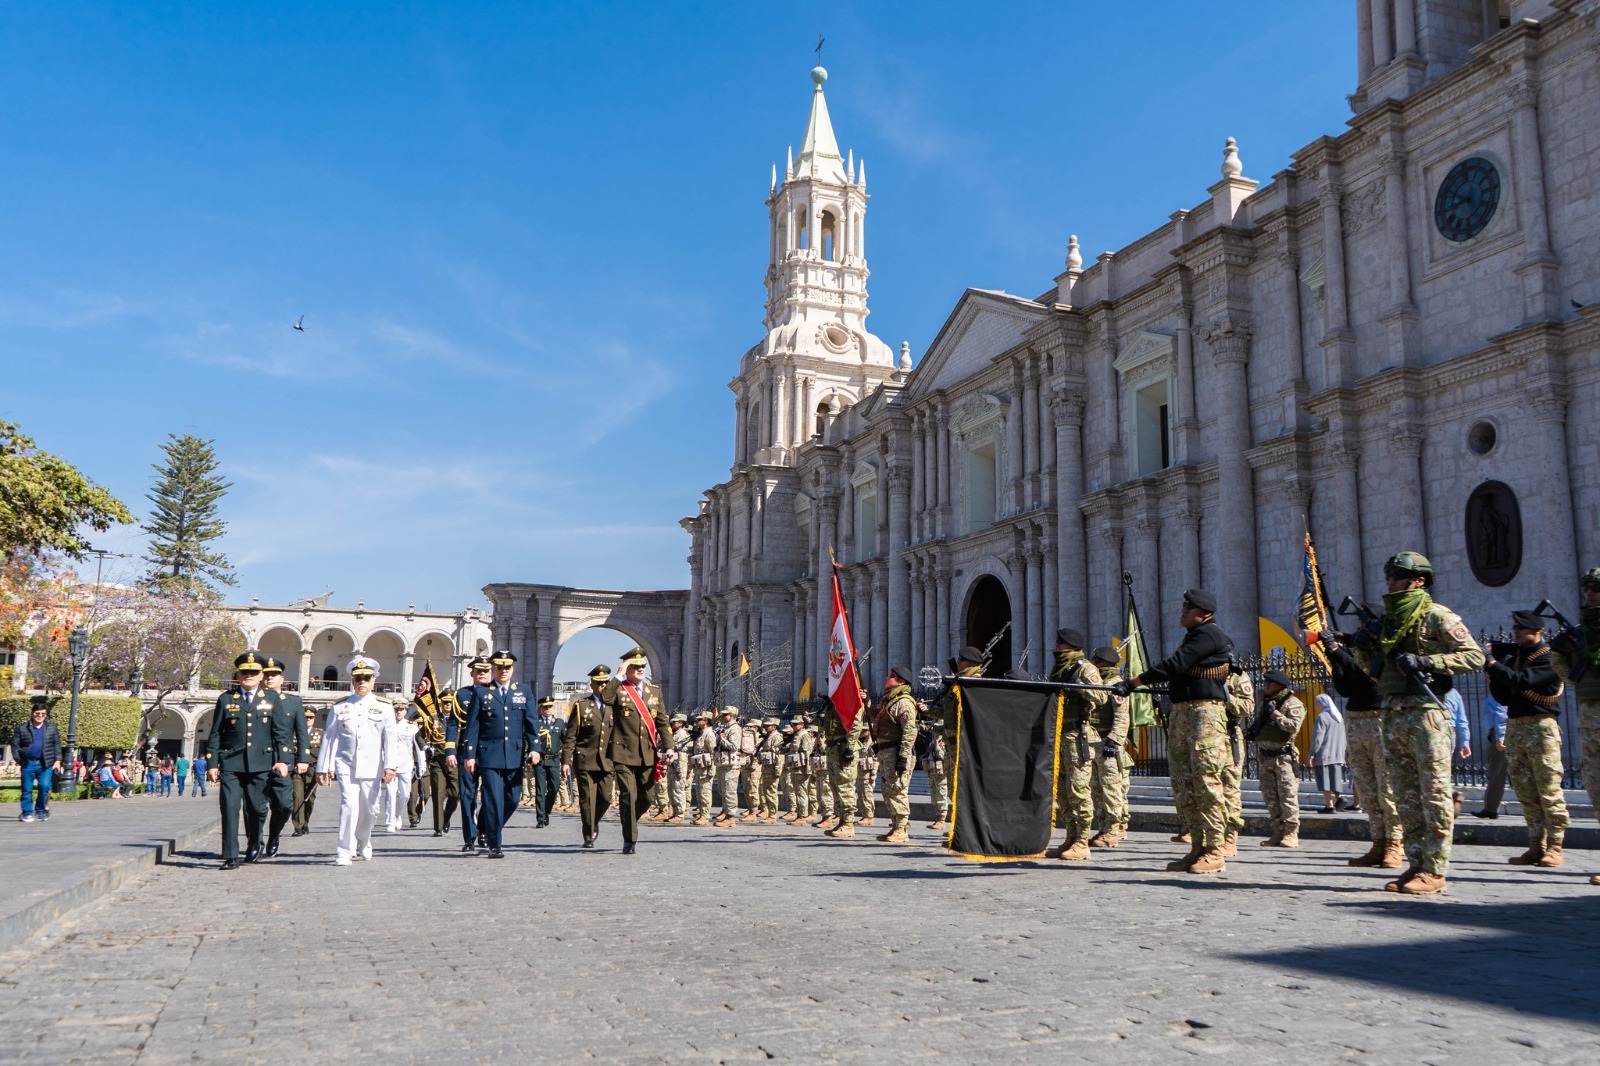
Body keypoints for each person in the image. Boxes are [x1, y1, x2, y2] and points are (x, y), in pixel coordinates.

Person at [1370, 551, 1485, 896]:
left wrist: (1427, 660)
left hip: (1426, 712)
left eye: (1399, 575)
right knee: (1405, 795)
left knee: (1433, 793)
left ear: (1419, 580)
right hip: (1394, 713)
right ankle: (1416, 863)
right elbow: (1375, 672)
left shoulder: (1435, 616)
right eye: (1389, 574)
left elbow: (1474, 656)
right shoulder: (1390, 623)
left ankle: (1435, 869)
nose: (1391, 581)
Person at [1114, 589, 1234, 875]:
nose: (1182, 612)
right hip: (1184, 714)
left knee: (1206, 784)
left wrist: (1134, 682)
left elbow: (1175, 665)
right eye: (1183, 607)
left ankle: (1215, 849)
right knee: (1184, 783)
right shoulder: (1194, 636)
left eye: (1188, 609)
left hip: (1204, 715)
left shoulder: (1209, 636)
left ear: (1204, 614)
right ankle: (1198, 846)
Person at [1307, 609, 1401, 869]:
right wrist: (1333, 657)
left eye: (1365, 625)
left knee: (1386, 788)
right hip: (1356, 719)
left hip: (1380, 719)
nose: (1360, 630)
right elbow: (1346, 688)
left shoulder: (1385, 651)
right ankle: (1378, 842)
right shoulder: (1354, 653)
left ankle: (1394, 843)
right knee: (1367, 787)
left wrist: (1338, 652)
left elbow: (1367, 678)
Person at [1486, 610, 1570, 868]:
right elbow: (1504, 696)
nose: (1517, 632)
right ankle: (1536, 846)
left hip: (1540, 728)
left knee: (1548, 789)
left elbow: (1524, 682)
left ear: (1539, 631)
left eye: (1522, 628)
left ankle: (1554, 847)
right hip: (1516, 727)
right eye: (1515, 628)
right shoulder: (1516, 659)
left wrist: (1493, 664)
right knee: (1525, 790)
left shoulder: (1548, 658)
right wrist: (1491, 674)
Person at [206, 651, 292, 870]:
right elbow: (216, 733)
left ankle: (254, 841)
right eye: (245, 672)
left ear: (261, 674)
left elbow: (281, 732)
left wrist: (282, 760)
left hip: (261, 764)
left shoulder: (272, 698)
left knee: (256, 809)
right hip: (231, 764)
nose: (249, 675)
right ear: (238, 674)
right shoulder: (226, 699)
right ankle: (231, 855)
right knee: (230, 807)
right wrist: (212, 763)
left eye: (253, 672)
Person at [315, 656, 398, 865]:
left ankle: (363, 839)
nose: (362, 681)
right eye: (358, 678)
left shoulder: (385, 707)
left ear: (373, 681)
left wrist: (390, 766)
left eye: (366, 678)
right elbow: (329, 737)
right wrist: (323, 767)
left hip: (373, 766)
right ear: (352, 681)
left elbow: (390, 740)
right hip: (347, 764)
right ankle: (344, 850)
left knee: (370, 810)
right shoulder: (340, 707)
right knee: (349, 805)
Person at [1550, 567, 1600, 886]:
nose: (1589, 593)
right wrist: (1561, 653)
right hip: (1590, 720)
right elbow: (1569, 677)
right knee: (1596, 789)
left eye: (1596, 588)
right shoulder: (1582, 631)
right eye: (1587, 588)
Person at [462, 649, 537, 859]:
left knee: (512, 800)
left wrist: (535, 748)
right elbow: (473, 726)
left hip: (513, 754)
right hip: (488, 756)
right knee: (493, 798)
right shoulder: (482, 693)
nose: (503, 671)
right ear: (493, 669)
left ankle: (485, 824)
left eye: (507, 667)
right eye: (499, 667)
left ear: (512, 669)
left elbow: (531, 722)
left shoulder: (523, 691)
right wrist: (470, 755)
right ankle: (495, 844)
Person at [599, 648, 669, 855]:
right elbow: (605, 698)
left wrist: (670, 746)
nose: (639, 669)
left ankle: (629, 820)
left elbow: (662, 721)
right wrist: (618, 675)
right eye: (634, 666)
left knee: (647, 797)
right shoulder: (619, 690)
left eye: (642, 667)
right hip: (623, 753)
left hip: (647, 753)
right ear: (627, 669)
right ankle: (630, 839)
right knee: (628, 794)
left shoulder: (654, 692)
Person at [1046, 628, 1106, 862]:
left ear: (1068, 645)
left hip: (1077, 735)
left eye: (1060, 642)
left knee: (1079, 790)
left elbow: (1101, 697)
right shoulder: (1058, 668)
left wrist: (1079, 686)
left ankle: (1082, 841)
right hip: (1059, 735)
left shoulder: (1085, 667)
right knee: (1062, 792)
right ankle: (1070, 838)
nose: (1057, 646)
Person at [1247, 669, 1307, 847]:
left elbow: (1293, 727)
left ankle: (1291, 833)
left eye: (1269, 684)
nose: (1265, 686)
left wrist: (1276, 714)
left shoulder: (1292, 703)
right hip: (1265, 757)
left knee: (1287, 796)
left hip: (1283, 758)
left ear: (1279, 685)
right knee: (1270, 797)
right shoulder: (1267, 703)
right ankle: (1278, 832)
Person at [560, 664, 615, 847]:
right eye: (599, 683)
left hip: (607, 760)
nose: (602, 686)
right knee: (587, 799)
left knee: (606, 798)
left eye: (606, 683)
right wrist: (566, 761)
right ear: (592, 684)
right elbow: (571, 736)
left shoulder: (615, 706)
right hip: (585, 759)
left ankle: (594, 821)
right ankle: (588, 834)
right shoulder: (581, 706)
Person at [261, 656, 310, 856]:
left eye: (274, 675)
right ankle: (255, 841)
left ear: (282, 679)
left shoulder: (293, 702)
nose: (270, 678)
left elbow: (301, 732)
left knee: (284, 805)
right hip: (258, 759)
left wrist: (303, 759)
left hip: (284, 760)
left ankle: (274, 835)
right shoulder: (256, 700)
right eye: (267, 675)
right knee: (256, 806)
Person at [449, 656, 493, 852]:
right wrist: (450, 750)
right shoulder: (462, 695)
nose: (482, 673)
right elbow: (453, 724)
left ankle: (483, 828)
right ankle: (470, 836)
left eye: (485, 670)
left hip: (489, 752)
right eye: (478, 670)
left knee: (490, 795)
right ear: (472, 673)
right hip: (465, 752)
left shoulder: (497, 693)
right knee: (467, 796)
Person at [1088, 646, 1131, 847]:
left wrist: (1113, 742)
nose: (1093, 662)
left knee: (1111, 788)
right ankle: (1104, 827)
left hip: (1108, 742)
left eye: (1097, 659)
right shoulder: (1097, 682)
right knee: (1097, 789)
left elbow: (1122, 717)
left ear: (1105, 663)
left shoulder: (1116, 684)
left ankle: (1114, 830)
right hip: (1094, 740)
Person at [872, 666, 919, 843]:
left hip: (896, 751)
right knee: (888, 789)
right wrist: (865, 704)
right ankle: (895, 826)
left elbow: (909, 731)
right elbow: (875, 719)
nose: (887, 678)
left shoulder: (904, 702)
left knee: (897, 789)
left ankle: (901, 829)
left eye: (892, 676)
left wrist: (903, 756)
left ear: (902, 681)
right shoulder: (889, 701)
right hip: (886, 751)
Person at [820, 696, 867, 839]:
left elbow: (856, 724)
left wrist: (850, 748)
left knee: (845, 787)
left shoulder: (849, 698)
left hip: (843, 748)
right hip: (833, 748)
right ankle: (841, 821)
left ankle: (848, 824)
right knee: (835, 787)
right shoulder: (833, 702)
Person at [11, 703, 62, 823]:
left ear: (46, 715)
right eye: (37, 713)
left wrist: (58, 760)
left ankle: (40, 810)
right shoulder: (22, 728)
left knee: (44, 787)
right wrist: (20, 760)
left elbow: (57, 744)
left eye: (43, 714)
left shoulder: (51, 728)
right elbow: (15, 745)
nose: (40, 716)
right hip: (28, 762)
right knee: (26, 789)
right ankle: (27, 812)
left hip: (46, 763)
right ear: (32, 713)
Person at [383, 698, 423, 833]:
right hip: (390, 764)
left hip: (406, 764)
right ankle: (390, 820)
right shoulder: (386, 725)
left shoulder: (412, 727)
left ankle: (397, 814)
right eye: (396, 709)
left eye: (401, 709)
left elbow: (418, 747)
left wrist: (421, 765)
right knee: (390, 793)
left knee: (405, 794)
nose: (398, 712)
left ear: (406, 710)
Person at [1471, 694, 1509, 818]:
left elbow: (1502, 715)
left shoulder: (1498, 694)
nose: (1487, 679)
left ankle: (1491, 808)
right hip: (1501, 734)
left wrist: (1500, 737)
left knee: (1496, 773)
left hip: (1499, 736)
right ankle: (1491, 808)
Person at [1308, 694, 1347, 813]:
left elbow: (1318, 738)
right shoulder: (1338, 717)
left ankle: (1329, 805)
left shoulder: (1322, 717)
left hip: (1324, 755)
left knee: (1324, 780)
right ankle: (1339, 798)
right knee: (1335, 779)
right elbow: (1344, 738)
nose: (1315, 706)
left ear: (1321, 704)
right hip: (1337, 754)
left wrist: (1312, 754)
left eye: (1316, 703)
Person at [530, 696, 565, 828]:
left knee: (554, 788)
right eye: (545, 707)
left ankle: (546, 812)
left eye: (550, 706)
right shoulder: (535, 722)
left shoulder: (559, 723)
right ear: (540, 708)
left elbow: (565, 740)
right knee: (540, 789)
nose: (548, 709)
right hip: (540, 760)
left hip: (554, 760)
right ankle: (540, 818)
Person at [711, 705, 744, 827]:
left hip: (731, 765)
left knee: (730, 791)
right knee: (723, 790)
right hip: (723, 763)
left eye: (725, 715)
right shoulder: (724, 728)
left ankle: (730, 817)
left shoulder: (735, 729)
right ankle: (725, 812)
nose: (723, 716)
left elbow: (734, 746)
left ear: (732, 716)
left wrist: (721, 739)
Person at [292, 707, 322, 836]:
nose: (308, 719)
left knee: (310, 799)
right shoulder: (292, 733)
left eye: (310, 717)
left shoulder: (321, 733)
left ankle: (305, 823)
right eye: (305, 717)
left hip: (313, 768)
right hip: (297, 769)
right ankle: (298, 826)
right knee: (297, 797)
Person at [688, 709, 717, 825]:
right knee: (700, 792)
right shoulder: (702, 734)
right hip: (699, 768)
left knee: (705, 793)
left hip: (706, 768)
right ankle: (701, 813)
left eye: (699, 720)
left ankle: (705, 816)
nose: (696, 721)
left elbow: (712, 753)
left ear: (705, 721)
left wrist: (711, 770)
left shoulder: (709, 734)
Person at [664, 713, 692, 824]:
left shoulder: (681, 735)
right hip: (672, 765)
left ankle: (680, 814)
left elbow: (681, 754)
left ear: (680, 723)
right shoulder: (675, 733)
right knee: (672, 790)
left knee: (678, 790)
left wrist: (679, 769)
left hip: (678, 766)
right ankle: (675, 812)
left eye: (674, 722)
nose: (672, 723)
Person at [755, 716, 784, 824]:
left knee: (771, 792)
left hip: (772, 769)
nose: (765, 727)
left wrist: (777, 770)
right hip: (766, 768)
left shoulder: (776, 737)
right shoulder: (768, 737)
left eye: (768, 726)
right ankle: (768, 813)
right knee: (766, 791)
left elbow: (779, 756)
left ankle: (772, 815)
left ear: (774, 727)